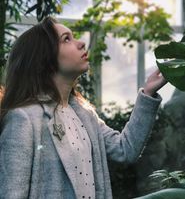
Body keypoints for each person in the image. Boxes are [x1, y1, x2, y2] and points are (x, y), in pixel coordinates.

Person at [0, 16, 167, 199]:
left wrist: (148, 94)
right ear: (44, 58)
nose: (80, 43)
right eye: (66, 39)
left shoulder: (84, 114)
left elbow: (125, 149)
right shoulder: (23, 119)